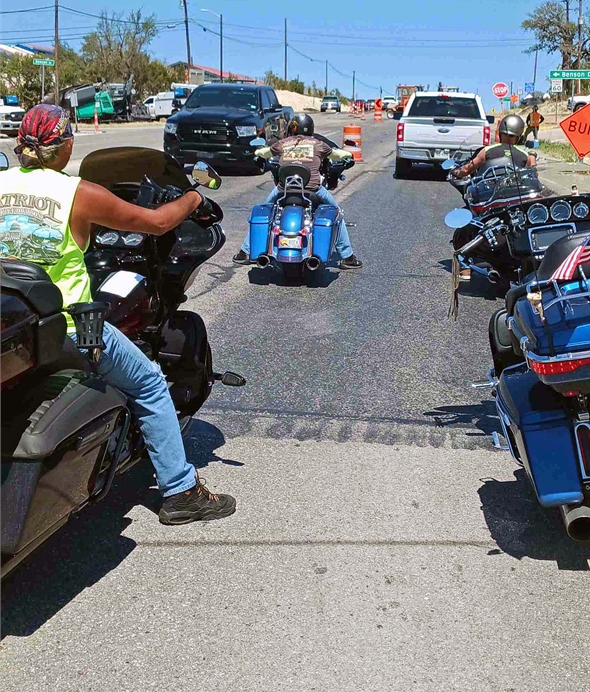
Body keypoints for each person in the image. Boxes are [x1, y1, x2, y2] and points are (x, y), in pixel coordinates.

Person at [0, 104, 235, 526]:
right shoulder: (79, 193)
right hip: (66, 330)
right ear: (64, 145)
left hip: (14, 327)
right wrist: (195, 196)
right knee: (148, 383)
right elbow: (157, 222)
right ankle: (181, 491)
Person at [233, 112, 362, 269]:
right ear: (311, 129)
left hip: (283, 190)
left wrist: (258, 153)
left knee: (264, 210)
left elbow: (264, 153)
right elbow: (337, 155)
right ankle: (347, 256)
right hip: (313, 190)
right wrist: (348, 155)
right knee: (336, 213)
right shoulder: (318, 144)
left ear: (292, 129)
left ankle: (245, 251)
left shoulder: (283, 143)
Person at [453, 113, 536, 181]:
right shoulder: (525, 155)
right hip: (514, 194)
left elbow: (468, 169)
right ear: (519, 137)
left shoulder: (487, 150)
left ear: (500, 133)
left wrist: (458, 173)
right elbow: (531, 176)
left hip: (488, 193)